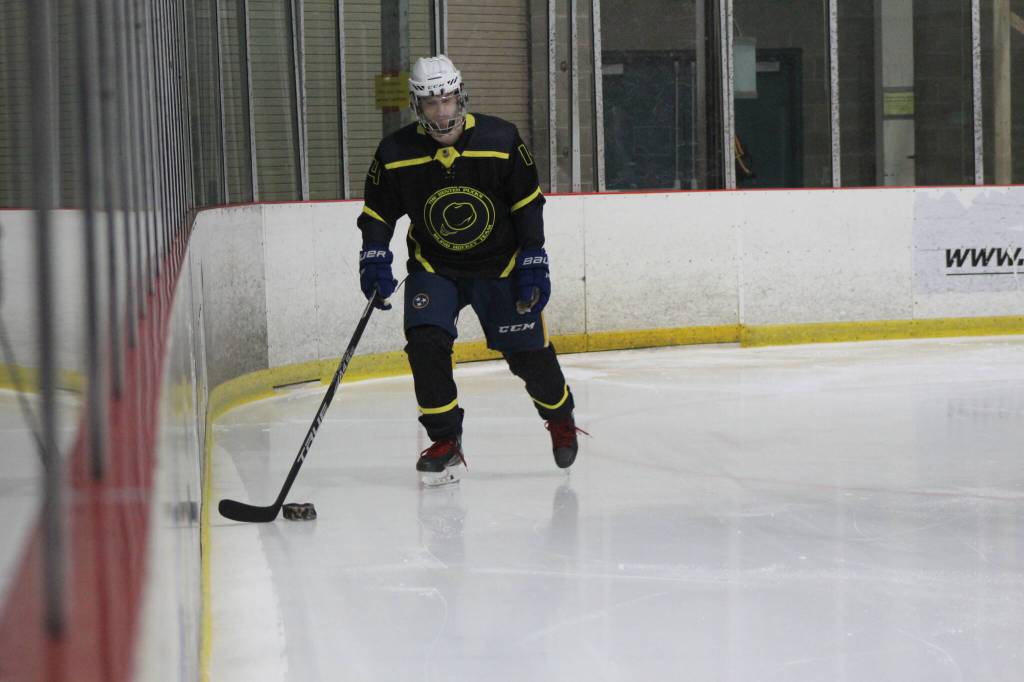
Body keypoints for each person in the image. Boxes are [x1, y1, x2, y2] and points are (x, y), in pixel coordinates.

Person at [356, 55, 584, 487]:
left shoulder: (501, 139)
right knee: (425, 341)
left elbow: (526, 204)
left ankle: (560, 417)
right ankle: (445, 438)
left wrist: (534, 257)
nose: (441, 111)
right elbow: (378, 214)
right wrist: (373, 255)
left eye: (447, 99)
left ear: (462, 97)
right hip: (434, 266)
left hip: (500, 266)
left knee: (528, 357)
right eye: (430, 103)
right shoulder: (395, 152)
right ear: (416, 106)